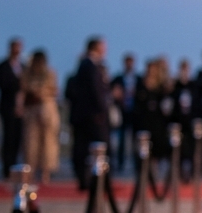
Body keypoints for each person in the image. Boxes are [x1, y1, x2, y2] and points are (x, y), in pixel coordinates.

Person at [67, 37, 113, 190]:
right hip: (92, 117)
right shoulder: (90, 66)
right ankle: (96, 181)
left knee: (85, 148)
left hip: (87, 116)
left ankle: (92, 180)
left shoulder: (88, 65)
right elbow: (94, 91)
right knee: (95, 148)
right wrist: (100, 110)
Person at [20, 50, 60, 184]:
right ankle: (30, 172)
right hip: (32, 110)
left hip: (47, 110)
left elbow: (54, 90)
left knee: (48, 142)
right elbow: (23, 89)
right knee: (31, 142)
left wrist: (41, 92)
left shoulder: (50, 73)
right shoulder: (27, 73)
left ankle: (46, 172)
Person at [0, 38, 24, 179]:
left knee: (18, 139)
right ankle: (7, 168)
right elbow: (1, 84)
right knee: (8, 138)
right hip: (8, 108)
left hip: (22, 110)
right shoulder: (2, 66)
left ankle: (16, 166)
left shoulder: (23, 66)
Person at [109, 53, 140, 174]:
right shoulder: (118, 78)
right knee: (121, 139)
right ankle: (120, 163)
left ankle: (136, 163)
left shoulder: (137, 78)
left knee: (135, 139)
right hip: (122, 112)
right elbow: (112, 92)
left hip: (134, 113)